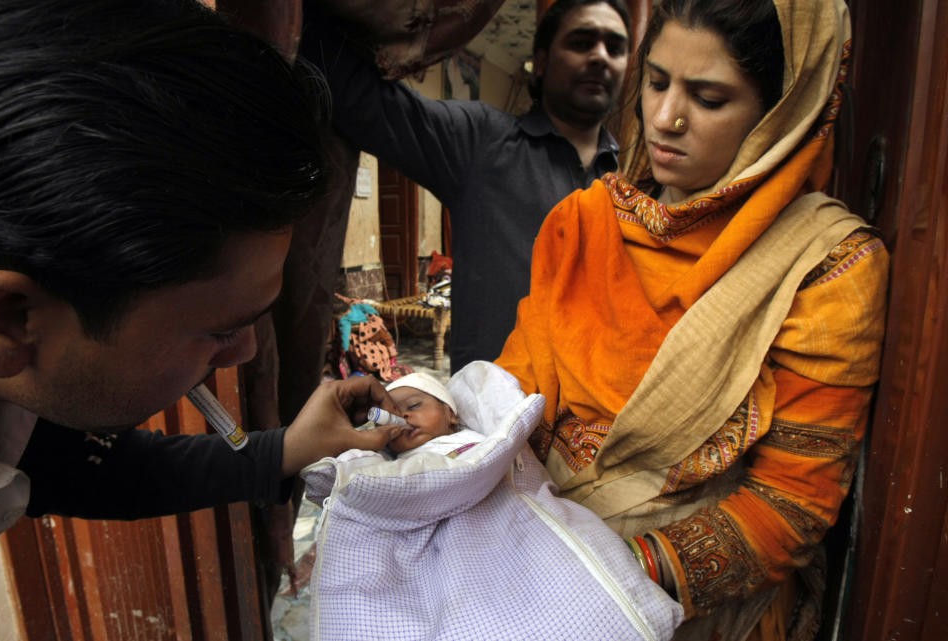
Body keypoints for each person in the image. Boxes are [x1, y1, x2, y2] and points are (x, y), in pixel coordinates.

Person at [495, 0, 888, 639]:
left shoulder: (827, 267)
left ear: (779, 115)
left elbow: (791, 505)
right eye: (655, 83)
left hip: (683, 609)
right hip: (529, 553)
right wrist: (456, 422)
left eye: (707, 99)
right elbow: (516, 390)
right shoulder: (585, 223)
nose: (665, 118)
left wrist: (611, 571)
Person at [0, 0, 405, 579]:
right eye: (221, 330)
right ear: (10, 320)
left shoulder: (17, 400)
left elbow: (78, 469)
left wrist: (285, 450)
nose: (245, 352)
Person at [299, 0, 631, 372]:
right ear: (540, 62)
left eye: (615, 48)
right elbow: (354, 93)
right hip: (493, 413)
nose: (601, 56)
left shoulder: (639, 179)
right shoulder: (481, 143)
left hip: (598, 411)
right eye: (582, 42)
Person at [300, 360, 684, 640]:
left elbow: (500, 463)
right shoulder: (391, 467)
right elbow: (342, 482)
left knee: (570, 573)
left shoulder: (485, 443)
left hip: (510, 526)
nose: (401, 419)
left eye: (414, 406)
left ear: (451, 414)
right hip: (453, 551)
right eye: (389, 419)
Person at [382, 371, 484, 457]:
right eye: (391, 418)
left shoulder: (475, 439)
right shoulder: (394, 467)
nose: (402, 417)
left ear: (450, 414)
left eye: (413, 405)